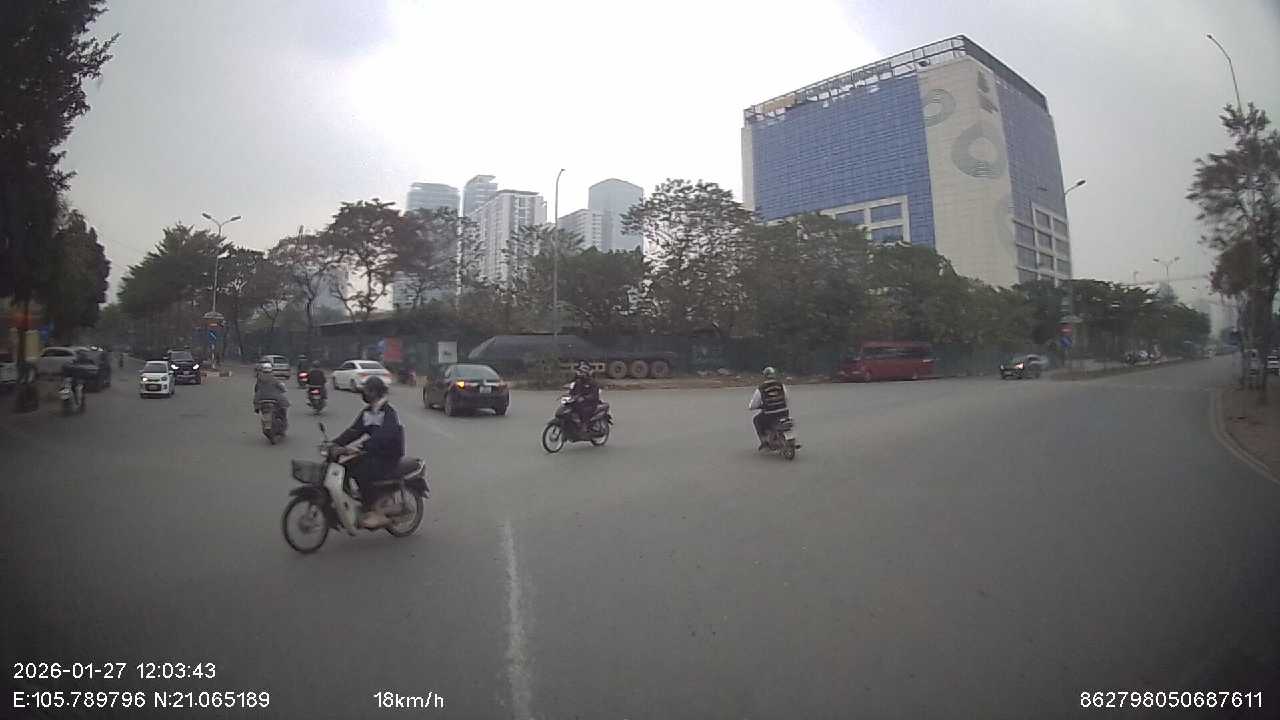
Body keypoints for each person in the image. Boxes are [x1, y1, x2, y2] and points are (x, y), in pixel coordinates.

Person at [332, 376, 405, 528]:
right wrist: (335, 443)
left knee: (362, 472)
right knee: (345, 467)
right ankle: (358, 502)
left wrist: (361, 447)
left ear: (377, 392)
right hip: (373, 452)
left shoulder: (388, 412)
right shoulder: (369, 411)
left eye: (368, 390)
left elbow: (384, 436)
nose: (365, 393)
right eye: (365, 390)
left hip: (388, 457)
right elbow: (354, 430)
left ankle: (374, 509)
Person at [747, 366, 789, 450]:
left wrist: (753, 407)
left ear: (765, 376)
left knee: (757, 420)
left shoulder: (762, 388)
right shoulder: (781, 385)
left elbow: (753, 404)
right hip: (784, 412)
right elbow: (786, 398)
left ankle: (764, 441)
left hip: (770, 414)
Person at [566, 361, 600, 431]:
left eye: (582, 372)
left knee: (584, 410)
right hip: (580, 401)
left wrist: (584, 398)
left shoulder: (592, 383)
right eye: (580, 372)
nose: (580, 374)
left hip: (591, 403)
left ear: (586, 373)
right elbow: (573, 391)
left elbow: (594, 395)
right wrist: (568, 395)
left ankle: (585, 425)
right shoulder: (578, 382)